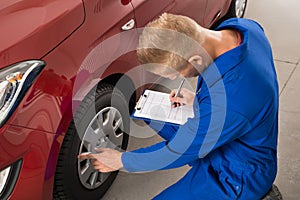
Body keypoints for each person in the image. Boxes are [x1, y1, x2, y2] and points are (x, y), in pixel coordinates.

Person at [78, 13, 279, 199]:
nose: (174, 79)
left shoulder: (230, 100)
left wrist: (121, 160)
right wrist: (199, 99)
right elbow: (240, 95)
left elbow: (180, 151)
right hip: (232, 133)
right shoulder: (245, 29)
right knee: (150, 114)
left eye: (174, 73)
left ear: (195, 59)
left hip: (237, 175)